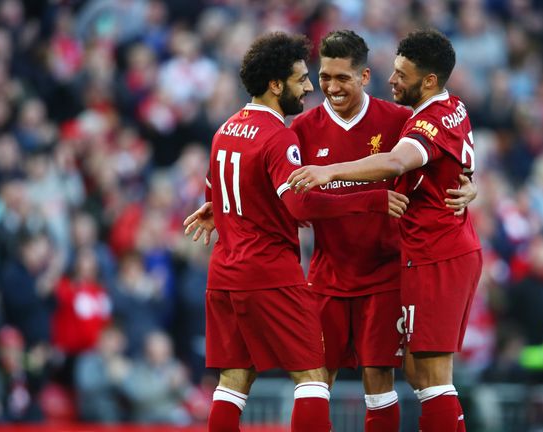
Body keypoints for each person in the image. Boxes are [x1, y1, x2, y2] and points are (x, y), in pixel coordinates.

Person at [182, 32, 409, 432]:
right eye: (303, 78)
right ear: (275, 85)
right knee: (312, 378)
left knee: (232, 383)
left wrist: (216, 210)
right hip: (271, 273)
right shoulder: (281, 135)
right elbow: (299, 205)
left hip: (224, 274)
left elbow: (219, 188)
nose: (309, 87)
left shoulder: (223, 132)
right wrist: (370, 200)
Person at [288, 29, 483, 431]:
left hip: (389, 273)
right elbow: (285, 193)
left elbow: (414, 161)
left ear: (362, 77)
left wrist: (468, 183)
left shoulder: (401, 120)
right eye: (325, 76)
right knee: (313, 380)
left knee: (397, 381)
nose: (331, 86)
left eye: (342, 77)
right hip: (328, 273)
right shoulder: (303, 129)